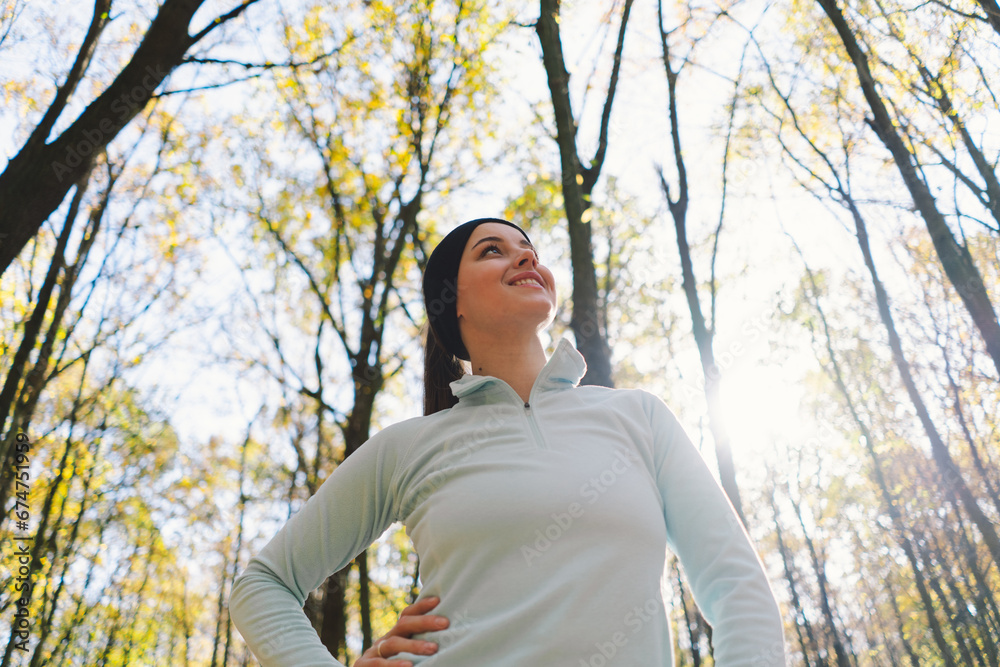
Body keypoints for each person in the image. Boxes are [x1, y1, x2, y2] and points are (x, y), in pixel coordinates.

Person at [228, 218, 787, 666]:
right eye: (493, 250)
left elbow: (736, 584)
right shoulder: (406, 448)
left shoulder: (637, 416)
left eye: (529, 249)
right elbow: (263, 584)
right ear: (455, 303)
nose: (526, 257)